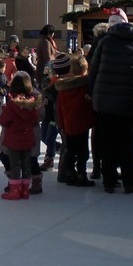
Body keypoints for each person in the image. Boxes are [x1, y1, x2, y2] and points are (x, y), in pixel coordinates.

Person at [89, 8, 133, 194]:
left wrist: (91, 93)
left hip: (103, 100)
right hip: (128, 101)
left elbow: (93, 71)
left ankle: (109, 182)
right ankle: (129, 181)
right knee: (127, 141)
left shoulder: (104, 42)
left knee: (107, 141)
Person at [55, 53, 97, 187]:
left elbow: (60, 109)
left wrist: (61, 125)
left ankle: (70, 173)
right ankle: (81, 174)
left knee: (71, 151)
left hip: (68, 125)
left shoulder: (63, 88)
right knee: (83, 152)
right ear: (85, 70)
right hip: (82, 124)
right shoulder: (85, 86)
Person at [0, 72, 42, 200]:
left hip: (14, 141)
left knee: (15, 165)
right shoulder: (33, 105)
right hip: (28, 140)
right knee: (27, 164)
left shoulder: (12, 105)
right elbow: (35, 120)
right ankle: (24, 190)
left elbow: (3, 121)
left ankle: (15, 190)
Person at [34, 24, 58, 89]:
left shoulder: (42, 40)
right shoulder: (46, 42)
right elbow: (47, 58)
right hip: (45, 70)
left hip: (42, 68)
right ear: (50, 33)